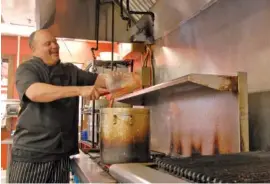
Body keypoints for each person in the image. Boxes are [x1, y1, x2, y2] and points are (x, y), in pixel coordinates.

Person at [8, 29, 109, 183]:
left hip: (61, 155)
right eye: (48, 43)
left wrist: (129, 80)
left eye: (55, 42)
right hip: (32, 155)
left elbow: (101, 80)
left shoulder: (69, 71)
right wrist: (80, 90)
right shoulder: (27, 69)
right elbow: (35, 92)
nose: (55, 46)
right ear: (34, 49)